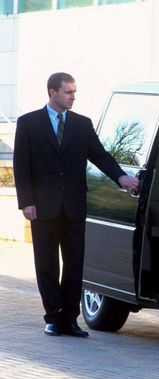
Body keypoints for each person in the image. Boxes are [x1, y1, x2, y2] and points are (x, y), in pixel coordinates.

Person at [13, 72, 139, 337]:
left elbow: (100, 156)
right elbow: (21, 166)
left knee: (74, 264)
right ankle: (53, 317)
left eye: (74, 92)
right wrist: (26, 202)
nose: (73, 97)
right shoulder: (28, 123)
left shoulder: (82, 124)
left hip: (74, 207)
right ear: (52, 92)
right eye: (68, 92)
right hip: (43, 208)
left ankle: (70, 319)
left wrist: (121, 177)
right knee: (46, 265)